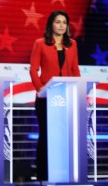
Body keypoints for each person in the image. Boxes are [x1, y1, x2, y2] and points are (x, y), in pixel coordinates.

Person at [29, 10, 80, 181]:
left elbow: (74, 70)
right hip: (45, 98)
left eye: (64, 22)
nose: (61, 25)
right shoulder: (40, 43)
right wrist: (40, 89)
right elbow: (33, 69)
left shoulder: (72, 44)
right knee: (46, 135)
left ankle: (63, 172)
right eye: (58, 22)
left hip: (65, 98)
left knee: (64, 135)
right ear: (51, 24)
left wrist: (77, 90)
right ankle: (43, 175)